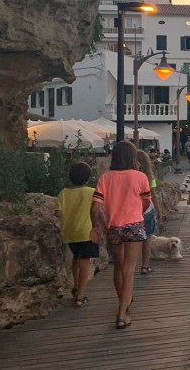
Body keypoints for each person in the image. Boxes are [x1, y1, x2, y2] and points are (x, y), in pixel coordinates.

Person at [92, 140, 151, 329]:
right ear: (132, 157)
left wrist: (100, 226)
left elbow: (95, 208)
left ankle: (123, 303)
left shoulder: (105, 178)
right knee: (129, 268)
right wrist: (135, 212)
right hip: (134, 224)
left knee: (118, 266)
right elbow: (146, 202)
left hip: (114, 226)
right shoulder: (140, 177)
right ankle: (122, 313)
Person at [56, 161, 99, 307]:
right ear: (87, 177)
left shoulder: (63, 193)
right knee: (85, 264)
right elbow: (96, 210)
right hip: (87, 232)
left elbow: (58, 213)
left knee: (76, 259)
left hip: (69, 232)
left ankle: (75, 286)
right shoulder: (91, 192)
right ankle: (80, 296)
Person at [136, 149, 160, 275]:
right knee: (148, 238)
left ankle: (129, 263)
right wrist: (159, 210)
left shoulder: (129, 177)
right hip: (148, 210)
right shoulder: (150, 178)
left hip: (132, 210)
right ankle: (144, 266)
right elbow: (153, 195)